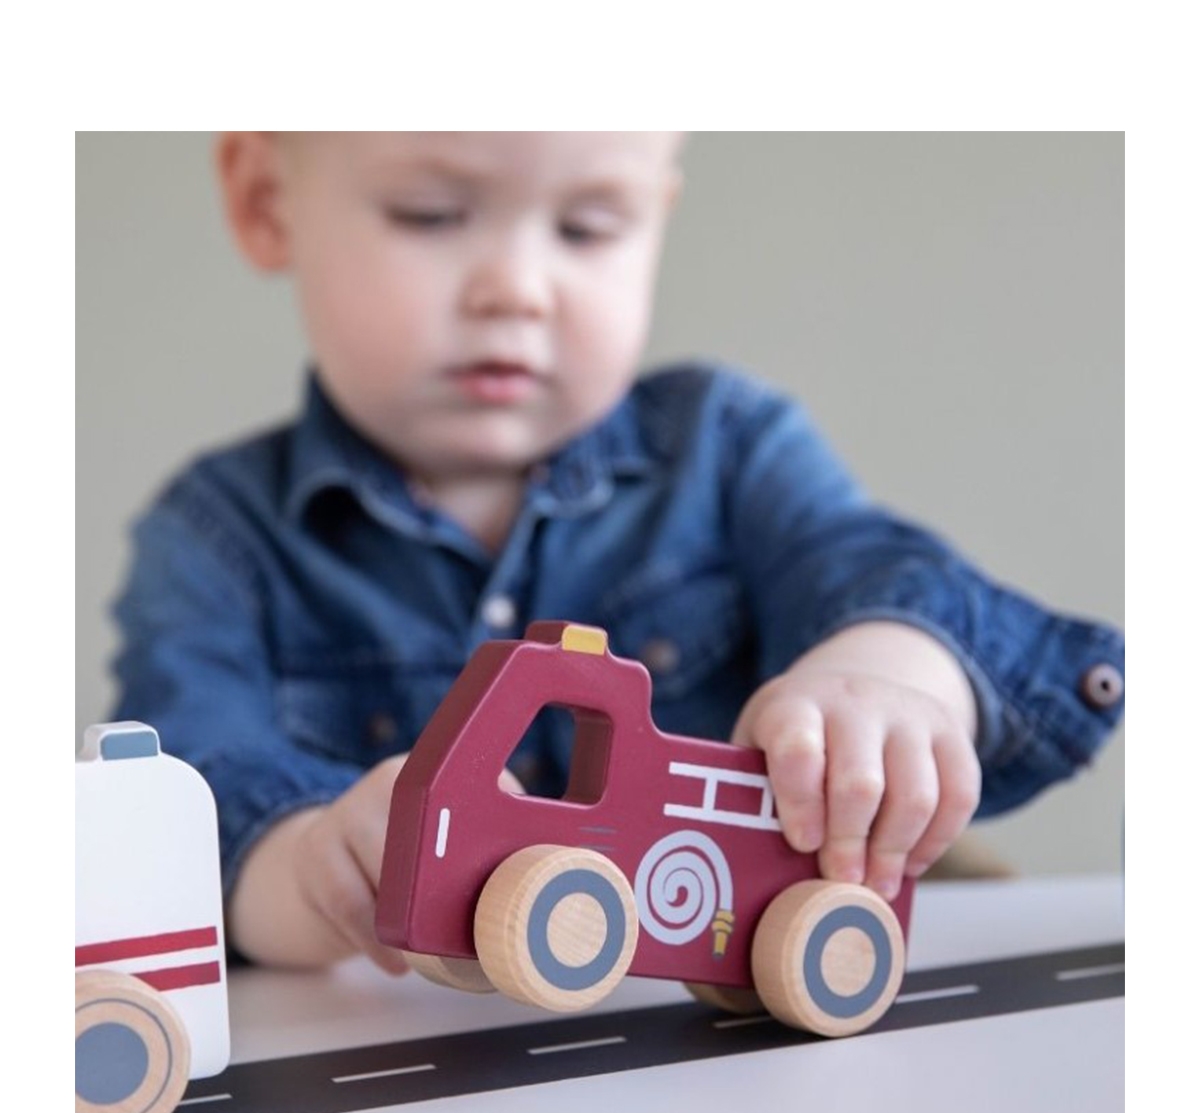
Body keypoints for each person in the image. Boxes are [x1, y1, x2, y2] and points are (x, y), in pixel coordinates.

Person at [110, 132, 1124, 973]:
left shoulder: (730, 447)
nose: (517, 288)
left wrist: (889, 676)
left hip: (770, 948)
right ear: (266, 202)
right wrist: (308, 865)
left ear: (656, 221)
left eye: (587, 228)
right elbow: (189, 797)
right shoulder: (212, 540)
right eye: (431, 214)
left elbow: (875, 568)